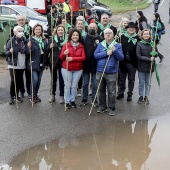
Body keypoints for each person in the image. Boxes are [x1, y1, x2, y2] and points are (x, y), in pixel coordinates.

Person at [94, 28, 124, 116]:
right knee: (101, 90)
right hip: (100, 71)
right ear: (103, 35)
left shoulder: (117, 45)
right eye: (106, 33)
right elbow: (95, 55)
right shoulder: (100, 45)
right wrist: (106, 53)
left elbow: (121, 58)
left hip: (111, 72)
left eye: (109, 33)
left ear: (113, 35)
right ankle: (102, 107)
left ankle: (111, 108)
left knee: (111, 91)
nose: (107, 35)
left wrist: (114, 50)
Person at [59, 29, 86, 109]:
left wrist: (73, 58)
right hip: (66, 68)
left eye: (77, 35)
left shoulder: (81, 46)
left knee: (74, 86)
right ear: (71, 36)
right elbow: (61, 57)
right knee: (67, 85)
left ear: (79, 37)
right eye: (73, 35)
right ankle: (67, 101)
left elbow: (83, 58)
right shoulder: (66, 45)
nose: (75, 36)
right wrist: (64, 54)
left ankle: (72, 100)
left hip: (78, 69)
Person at [79, 23, 103, 106]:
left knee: (95, 84)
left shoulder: (100, 38)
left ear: (96, 29)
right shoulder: (84, 38)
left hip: (96, 65)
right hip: (85, 65)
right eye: (90, 27)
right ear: (87, 28)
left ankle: (94, 99)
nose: (92, 29)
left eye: (94, 28)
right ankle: (84, 98)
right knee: (85, 83)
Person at [5, 26, 29, 105]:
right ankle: (12, 97)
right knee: (13, 80)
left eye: (21, 31)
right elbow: (6, 53)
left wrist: (28, 48)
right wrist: (10, 52)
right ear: (15, 32)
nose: (20, 32)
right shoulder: (11, 41)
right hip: (13, 64)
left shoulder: (24, 40)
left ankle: (16, 95)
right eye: (19, 31)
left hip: (21, 63)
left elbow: (27, 51)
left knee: (19, 80)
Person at [117, 22, 139, 101]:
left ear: (135, 29)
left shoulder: (138, 38)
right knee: (122, 79)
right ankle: (120, 92)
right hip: (123, 62)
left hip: (132, 63)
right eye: (130, 27)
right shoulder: (122, 37)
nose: (131, 29)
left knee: (131, 79)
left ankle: (130, 94)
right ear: (127, 29)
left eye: (133, 27)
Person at [136, 29, 158, 104]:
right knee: (141, 82)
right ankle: (141, 96)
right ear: (142, 35)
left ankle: (146, 96)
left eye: (147, 34)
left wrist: (154, 52)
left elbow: (157, 54)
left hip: (150, 67)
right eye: (144, 34)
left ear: (150, 35)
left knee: (148, 83)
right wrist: (149, 59)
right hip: (141, 66)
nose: (146, 35)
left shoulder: (152, 43)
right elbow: (138, 56)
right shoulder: (139, 44)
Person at [27, 24, 47, 104]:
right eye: (37, 29)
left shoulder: (44, 40)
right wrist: (29, 48)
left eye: (39, 29)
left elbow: (45, 53)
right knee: (34, 80)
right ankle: (32, 96)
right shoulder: (30, 40)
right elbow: (27, 53)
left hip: (41, 63)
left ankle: (35, 95)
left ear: (41, 31)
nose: (38, 31)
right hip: (33, 64)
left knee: (38, 81)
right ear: (34, 31)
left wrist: (47, 63)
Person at [46, 25, 66, 104]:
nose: (60, 31)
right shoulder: (52, 39)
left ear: (64, 31)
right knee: (53, 79)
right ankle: (52, 95)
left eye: (62, 30)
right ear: (56, 31)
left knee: (62, 79)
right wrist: (49, 47)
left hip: (63, 62)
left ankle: (62, 95)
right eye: (59, 30)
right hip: (53, 62)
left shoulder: (66, 40)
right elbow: (46, 50)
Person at [75, 19, 87, 96]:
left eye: (81, 24)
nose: (80, 25)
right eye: (78, 24)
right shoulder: (73, 33)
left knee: (81, 74)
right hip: (74, 55)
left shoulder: (85, 34)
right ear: (76, 25)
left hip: (82, 55)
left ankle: (79, 88)